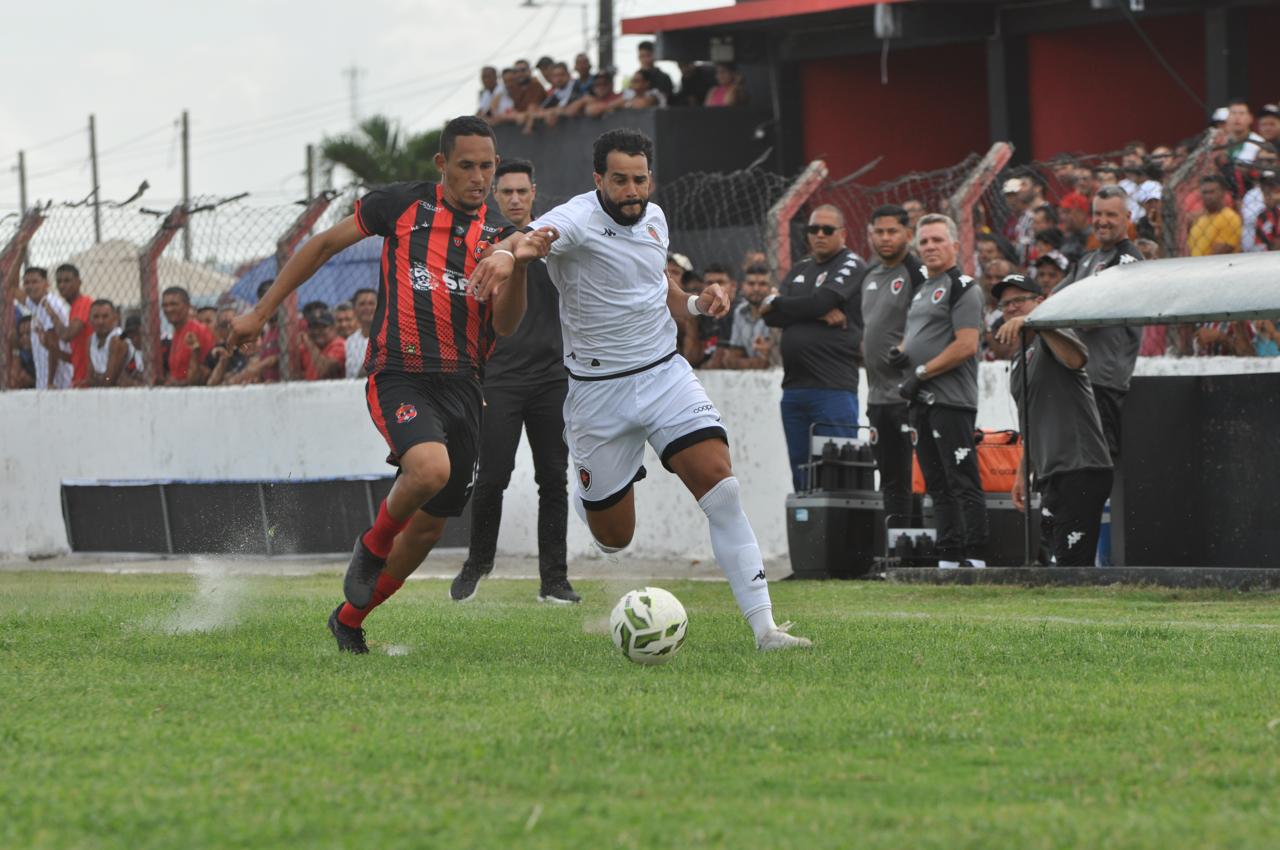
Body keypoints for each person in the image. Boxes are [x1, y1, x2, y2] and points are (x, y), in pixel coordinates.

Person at [227, 116, 553, 655]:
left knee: (428, 530)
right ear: (442, 165)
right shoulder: (402, 206)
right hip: (399, 372)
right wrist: (261, 313)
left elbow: (507, 325)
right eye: (466, 165)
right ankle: (372, 545)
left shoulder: (500, 239)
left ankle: (350, 618)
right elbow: (324, 245)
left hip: (466, 386)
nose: (478, 177)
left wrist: (515, 269)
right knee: (428, 469)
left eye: (487, 167)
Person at [525, 128, 810, 651]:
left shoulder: (653, 218)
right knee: (614, 538)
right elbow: (531, 239)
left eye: (640, 180)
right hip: (596, 394)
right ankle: (614, 471)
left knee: (722, 488)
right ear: (598, 179)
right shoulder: (574, 219)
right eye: (620, 181)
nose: (632, 191)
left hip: (663, 374)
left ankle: (766, 629)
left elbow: (662, 290)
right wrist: (508, 254)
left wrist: (700, 304)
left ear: (649, 178)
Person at [450, 159, 576, 605]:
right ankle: (478, 562)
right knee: (492, 477)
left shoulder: (555, 242)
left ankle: (554, 581)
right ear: (494, 196)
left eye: (523, 191)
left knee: (554, 479)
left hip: (551, 379)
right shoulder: (484, 246)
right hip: (498, 379)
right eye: (507, 192)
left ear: (534, 193)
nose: (516, 199)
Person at [993, 275, 1113, 566]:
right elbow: (1031, 420)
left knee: (1071, 564)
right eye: (1005, 303)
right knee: (1052, 562)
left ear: (1041, 302)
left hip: (1080, 467)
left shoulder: (1055, 335)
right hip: (1050, 473)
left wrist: (1037, 322)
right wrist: (1024, 471)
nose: (1011, 308)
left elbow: (1077, 359)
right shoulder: (1023, 355)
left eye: (1019, 300)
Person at [895, 213, 988, 569]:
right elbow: (918, 338)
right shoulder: (920, 289)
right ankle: (949, 556)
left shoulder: (963, 286)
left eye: (937, 240)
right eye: (925, 241)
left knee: (962, 478)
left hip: (951, 400)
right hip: (920, 400)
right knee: (936, 482)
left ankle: (977, 555)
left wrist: (920, 372)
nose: (930, 247)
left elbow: (966, 344)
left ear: (955, 244)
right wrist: (901, 355)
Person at [761, 204, 867, 492]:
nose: (819, 234)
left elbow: (797, 304)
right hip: (794, 390)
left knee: (839, 469)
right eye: (813, 229)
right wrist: (816, 311)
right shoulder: (800, 269)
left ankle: (841, 535)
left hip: (832, 388)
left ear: (842, 234)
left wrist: (783, 303)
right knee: (801, 471)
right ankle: (810, 534)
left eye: (827, 230)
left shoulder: (850, 264)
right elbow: (768, 314)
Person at [1052, 185, 1143, 462]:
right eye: (1097, 213)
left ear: (1127, 217)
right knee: (1080, 460)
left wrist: (1065, 314)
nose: (1102, 220)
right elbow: (1054, 302)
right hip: (1079, 378)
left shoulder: (1129, 259)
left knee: (1102, 462)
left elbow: (1091, 315)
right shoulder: (1089, 259)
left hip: (1105, 382)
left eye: (1111, 215)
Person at [860, 205, 926, 527]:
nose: (885, 238)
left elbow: (929, 323)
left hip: (906, 395)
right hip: (877, 396)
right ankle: (896, 546)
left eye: (893, 231)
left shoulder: (916, 273)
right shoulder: (870, 275)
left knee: (910, 476)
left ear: (908, 234)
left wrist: (906, 347)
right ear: (870, 234)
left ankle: (916, 548)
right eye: (879, 232)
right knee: (887, 477)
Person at [709, 264, 774, 370]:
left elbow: (771, 361)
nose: (756, 289)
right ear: (743, 286)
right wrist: (757, 363)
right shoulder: (739, 312)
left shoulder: (778, 312)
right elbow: (732, 359)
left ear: (770, 287)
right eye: (751, 283)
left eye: (762, 284)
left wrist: (741, 362)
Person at [24, 266, 74, 390]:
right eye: (26, 283)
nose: (30, 286)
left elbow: (53, 346)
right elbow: (12, 289)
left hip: (58, 381)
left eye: (35, 282)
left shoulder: (50, 304)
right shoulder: (36, 304)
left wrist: (50, 382)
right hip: (45, 379)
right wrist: (19, 253)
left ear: (46, 284)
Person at [46, 264, 92, 387]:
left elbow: (67, 335)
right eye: (59, 281)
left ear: (79, 282)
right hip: (79, 378)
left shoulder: (83, 303)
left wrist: (53, 315)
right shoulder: (73, 308)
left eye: (67, 281)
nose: (62, 285)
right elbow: (74, 357)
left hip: (88, 381)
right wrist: (51, 348)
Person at [161, 286, 215, 386]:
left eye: (174, 304)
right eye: (165, 305)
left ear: (187, 306)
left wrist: (176, 384)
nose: (169, 309)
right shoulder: (177, 333)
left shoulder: (198, 330)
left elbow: (207, 371)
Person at [1188, 174, 1242, 256]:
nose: (1208, 196)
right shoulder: (1200, 218)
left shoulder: (1230, 218)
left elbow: (1218, 254)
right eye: (1205, 192)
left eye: (1212, 192)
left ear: (1223, 193)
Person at [85, 299, 133, 387]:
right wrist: (101, 378)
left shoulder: (118, 339)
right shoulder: (91, 340)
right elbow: (90, 377)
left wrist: (100, 378)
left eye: (105, 316)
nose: (100, 321)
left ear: (115, 318)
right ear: (90, 320)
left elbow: (109, 379)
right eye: (96, 317)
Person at [300, 310, 345, 380]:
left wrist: (309, 343)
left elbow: (324, 370)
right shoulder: (305, 347)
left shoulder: (339, 344)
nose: (317, 331)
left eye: (322, 327)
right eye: (313, 327)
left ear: (333, 328)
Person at [345, 287, 377, 378]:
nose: (367, 308)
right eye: (362, 304)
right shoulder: (350, 341)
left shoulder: (389, 336)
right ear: (354, 309)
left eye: (371, 303)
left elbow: (411, 348)